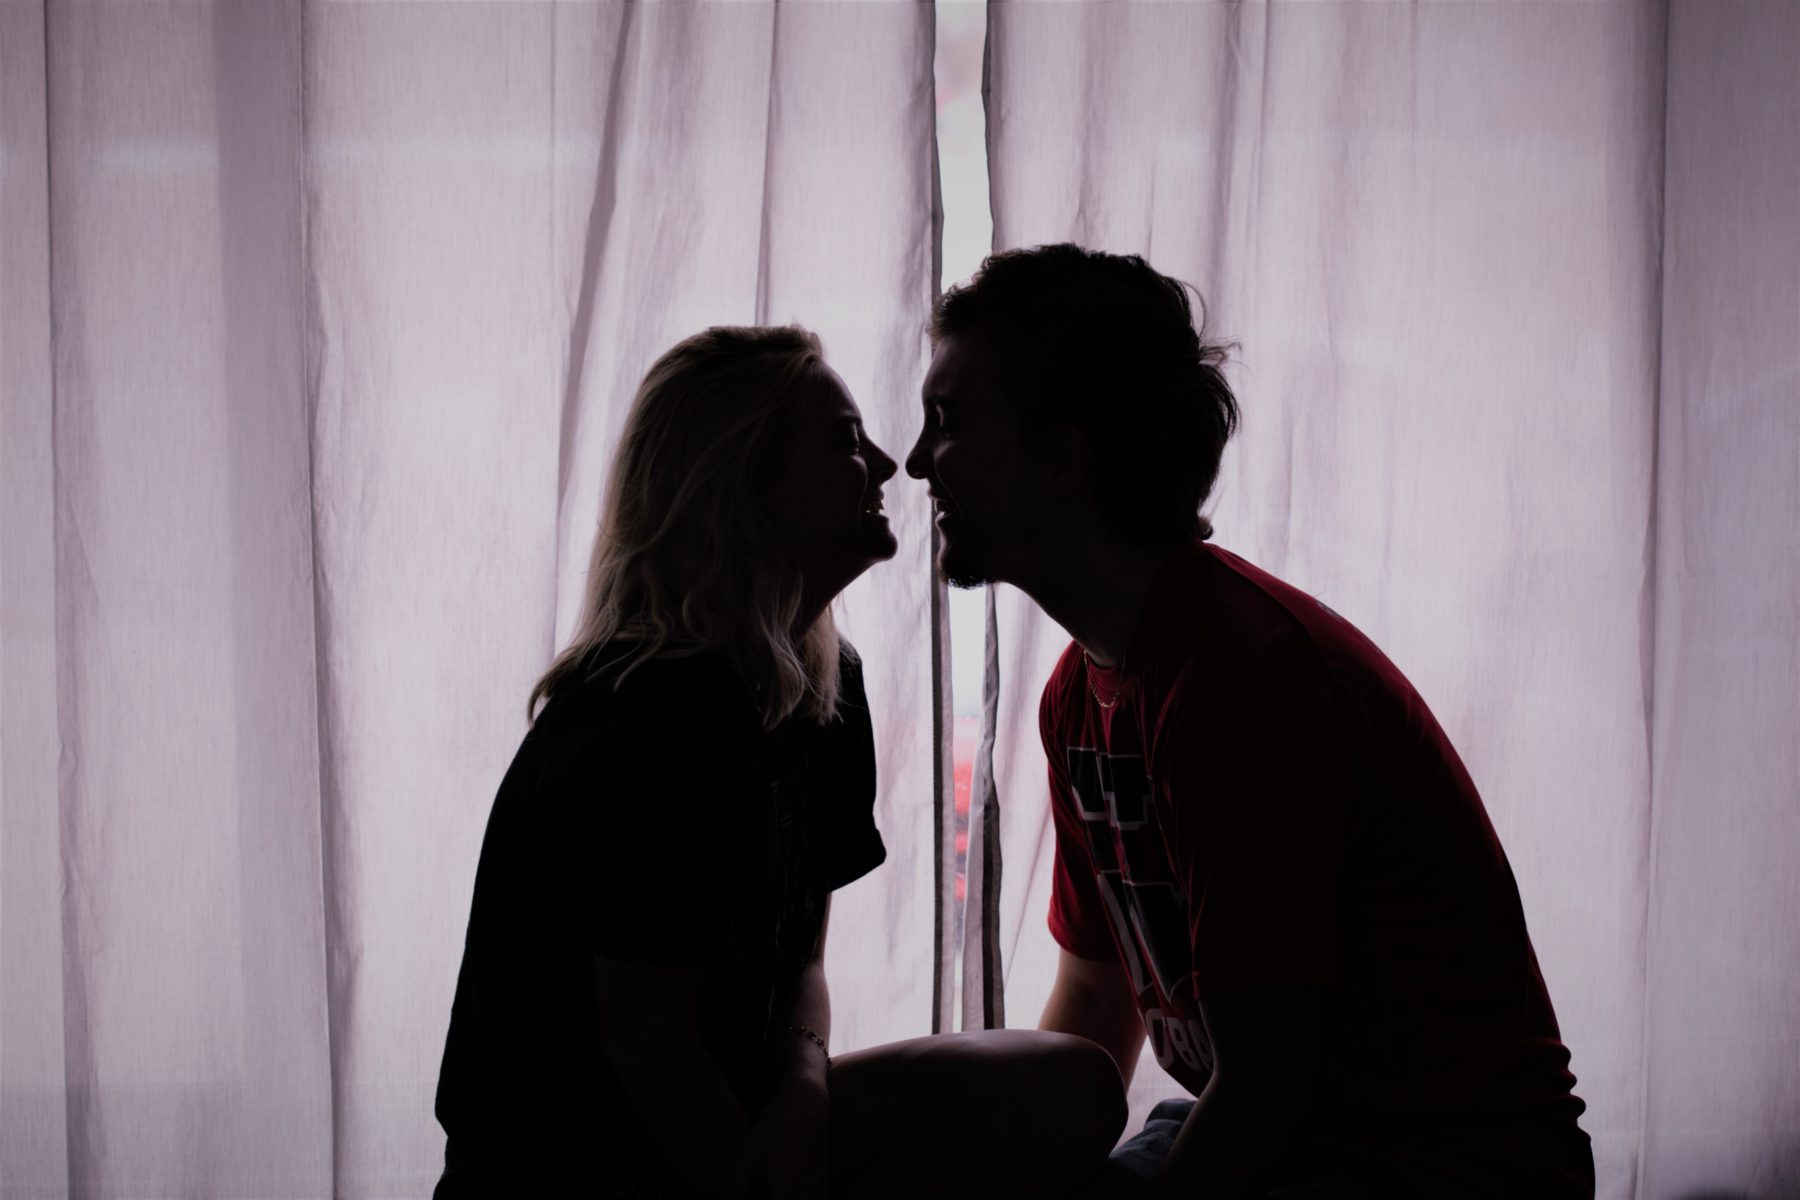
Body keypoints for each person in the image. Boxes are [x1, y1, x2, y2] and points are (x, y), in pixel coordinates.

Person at [904, 245, 1594, 1199]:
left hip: (1435, 1166)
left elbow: (1267, 1089)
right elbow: (1099, 1005)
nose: (911, 463)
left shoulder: (1239, 685)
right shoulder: (1081, 693)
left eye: (947, 424)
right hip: (1292, 1133)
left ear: (1062, 456)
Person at [433, 325, 1125, 1198]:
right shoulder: (657, 711)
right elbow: (646, 1041)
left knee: (1072, 1088)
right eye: (843, 442)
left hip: (741, 1105)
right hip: (573, 1159)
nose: (885, 464)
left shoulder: (825, 684)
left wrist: (802, 1092)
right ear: (741, 482)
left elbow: (800, 960)